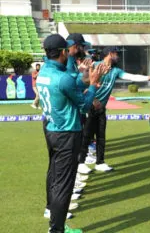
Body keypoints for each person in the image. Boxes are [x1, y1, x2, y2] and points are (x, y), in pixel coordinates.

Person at [37, 34, 105, 233]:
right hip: (66, 133)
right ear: (62, 53)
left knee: (55, 175)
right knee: (64, 185)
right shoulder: (63, 77)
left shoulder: (43, 73)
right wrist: (92, 84)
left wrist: (84, 81)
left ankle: (54, 218)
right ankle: (56, 229)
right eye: (66, 50)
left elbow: (69, 88)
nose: (68, 52)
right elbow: (84, 105)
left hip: (51, 130)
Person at [78, 46, 150, 174]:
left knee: (101, 136)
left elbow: (132, 76)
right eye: (116, 53)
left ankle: (100, 162)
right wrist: (93, 99)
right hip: (90, 106)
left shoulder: (116, 71)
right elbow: (82, 84)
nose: (118, 56)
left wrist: (149, 78)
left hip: (101, 109)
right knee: (86, 136)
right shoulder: (95, 65)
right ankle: (80, 163)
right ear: (110, 54)